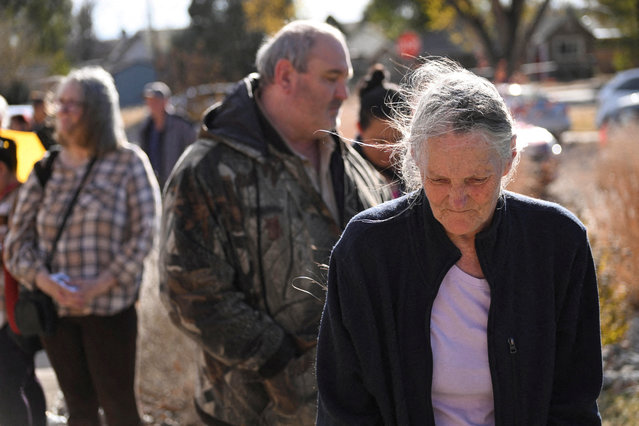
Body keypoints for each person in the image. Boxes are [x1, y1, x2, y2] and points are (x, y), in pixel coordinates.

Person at [316, 58, 603, 425]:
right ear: (416, 160)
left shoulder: (557, 242)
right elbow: (345, 408)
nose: (457, 200)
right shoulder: (368, 250)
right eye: (438, 180)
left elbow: (573, 403)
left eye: (476, 180)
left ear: (508, 157)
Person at [159, 20, 390, 425]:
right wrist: (286, 364)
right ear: (284, 75)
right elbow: (189, 294)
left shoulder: (350, 161)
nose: (343, 93)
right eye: (331, 78)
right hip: (249, 414)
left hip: (350, 407)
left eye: (345, 79)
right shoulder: (208, 168)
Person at [4, 66, 161, 426]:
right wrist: (45, 282)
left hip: (111, 311)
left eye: (74, 103)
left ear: (98, 109)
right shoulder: (47, 168)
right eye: (61, 102)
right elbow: (16, 244)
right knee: (79, 411)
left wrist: (99, 283)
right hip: (55, 315)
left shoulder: (128, 162)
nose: (63, 110)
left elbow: (144, 235)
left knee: (121, 410)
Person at [0, 132, 47, 426]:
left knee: (8, 386)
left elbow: (25, 247)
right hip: (5, 312)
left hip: (19, 308)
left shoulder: (23, 197)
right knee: (24, 379)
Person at [355, 63, 405, 198]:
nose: (389, 150)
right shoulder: (346, 174)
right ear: (360, 129)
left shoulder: (418, 169)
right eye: (379, 141)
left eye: (397, 140)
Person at [140, 81, 196, 188]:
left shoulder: (180, 124)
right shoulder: (146, 127)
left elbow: (194, 150)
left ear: (165, 101)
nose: (151, 105)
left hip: (179, 184)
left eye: (155, 101)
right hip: (154, 185)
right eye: (149, 101)